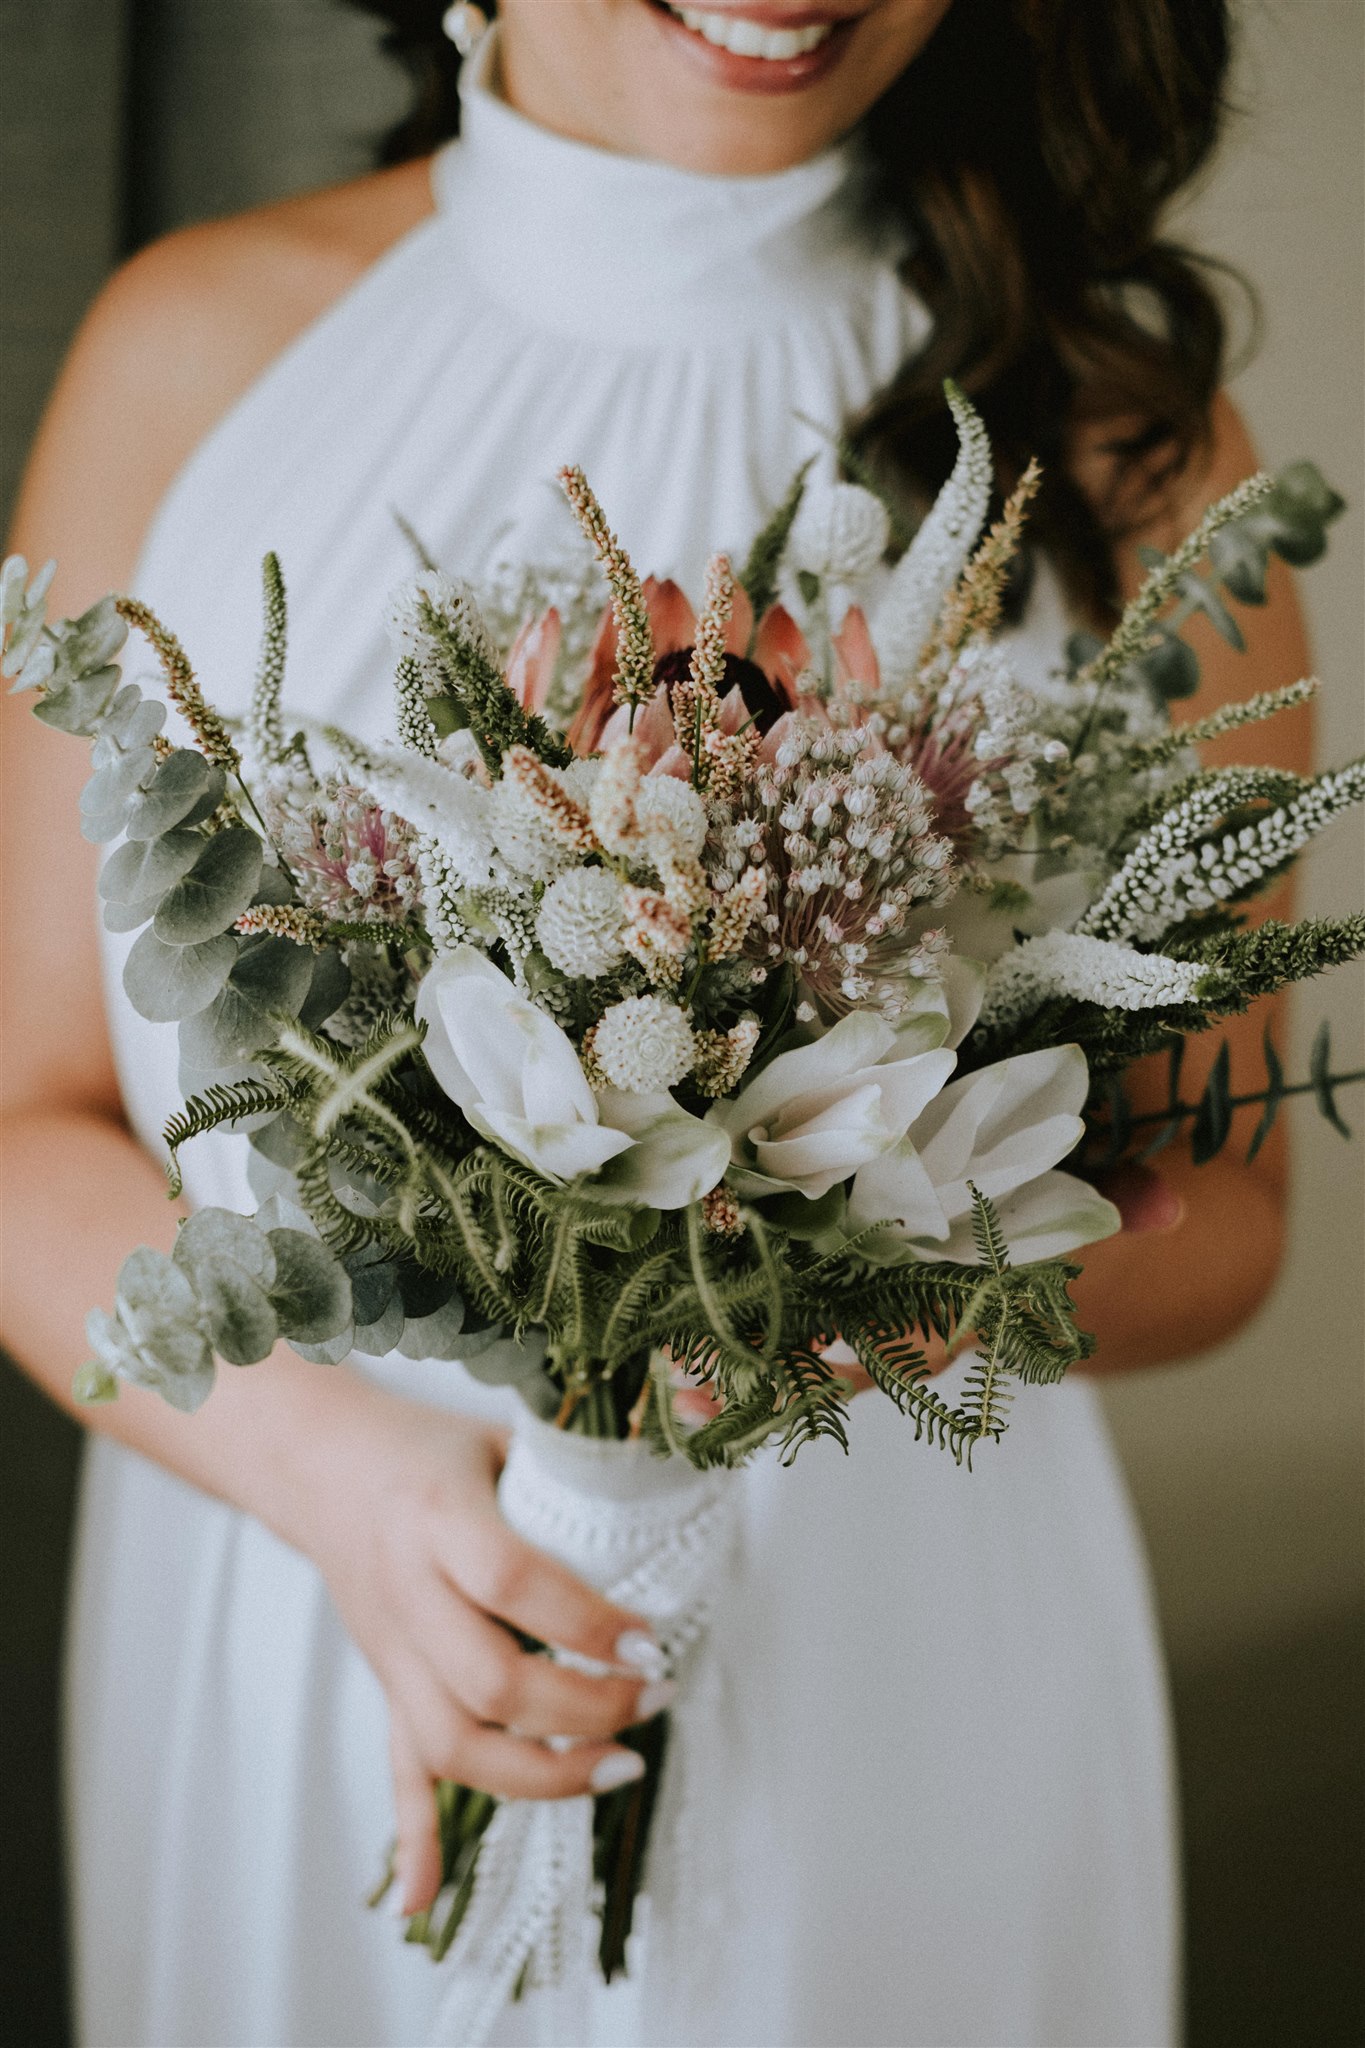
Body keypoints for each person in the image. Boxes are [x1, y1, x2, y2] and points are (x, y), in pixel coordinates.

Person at [0, 1, 1313, 2043]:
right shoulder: (198, 347)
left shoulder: (1131, 454)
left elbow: (1222, 1213)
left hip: (891, 1676)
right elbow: (25, 1125)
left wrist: (882, 1283)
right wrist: (348, 1487)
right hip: (313, 1616)